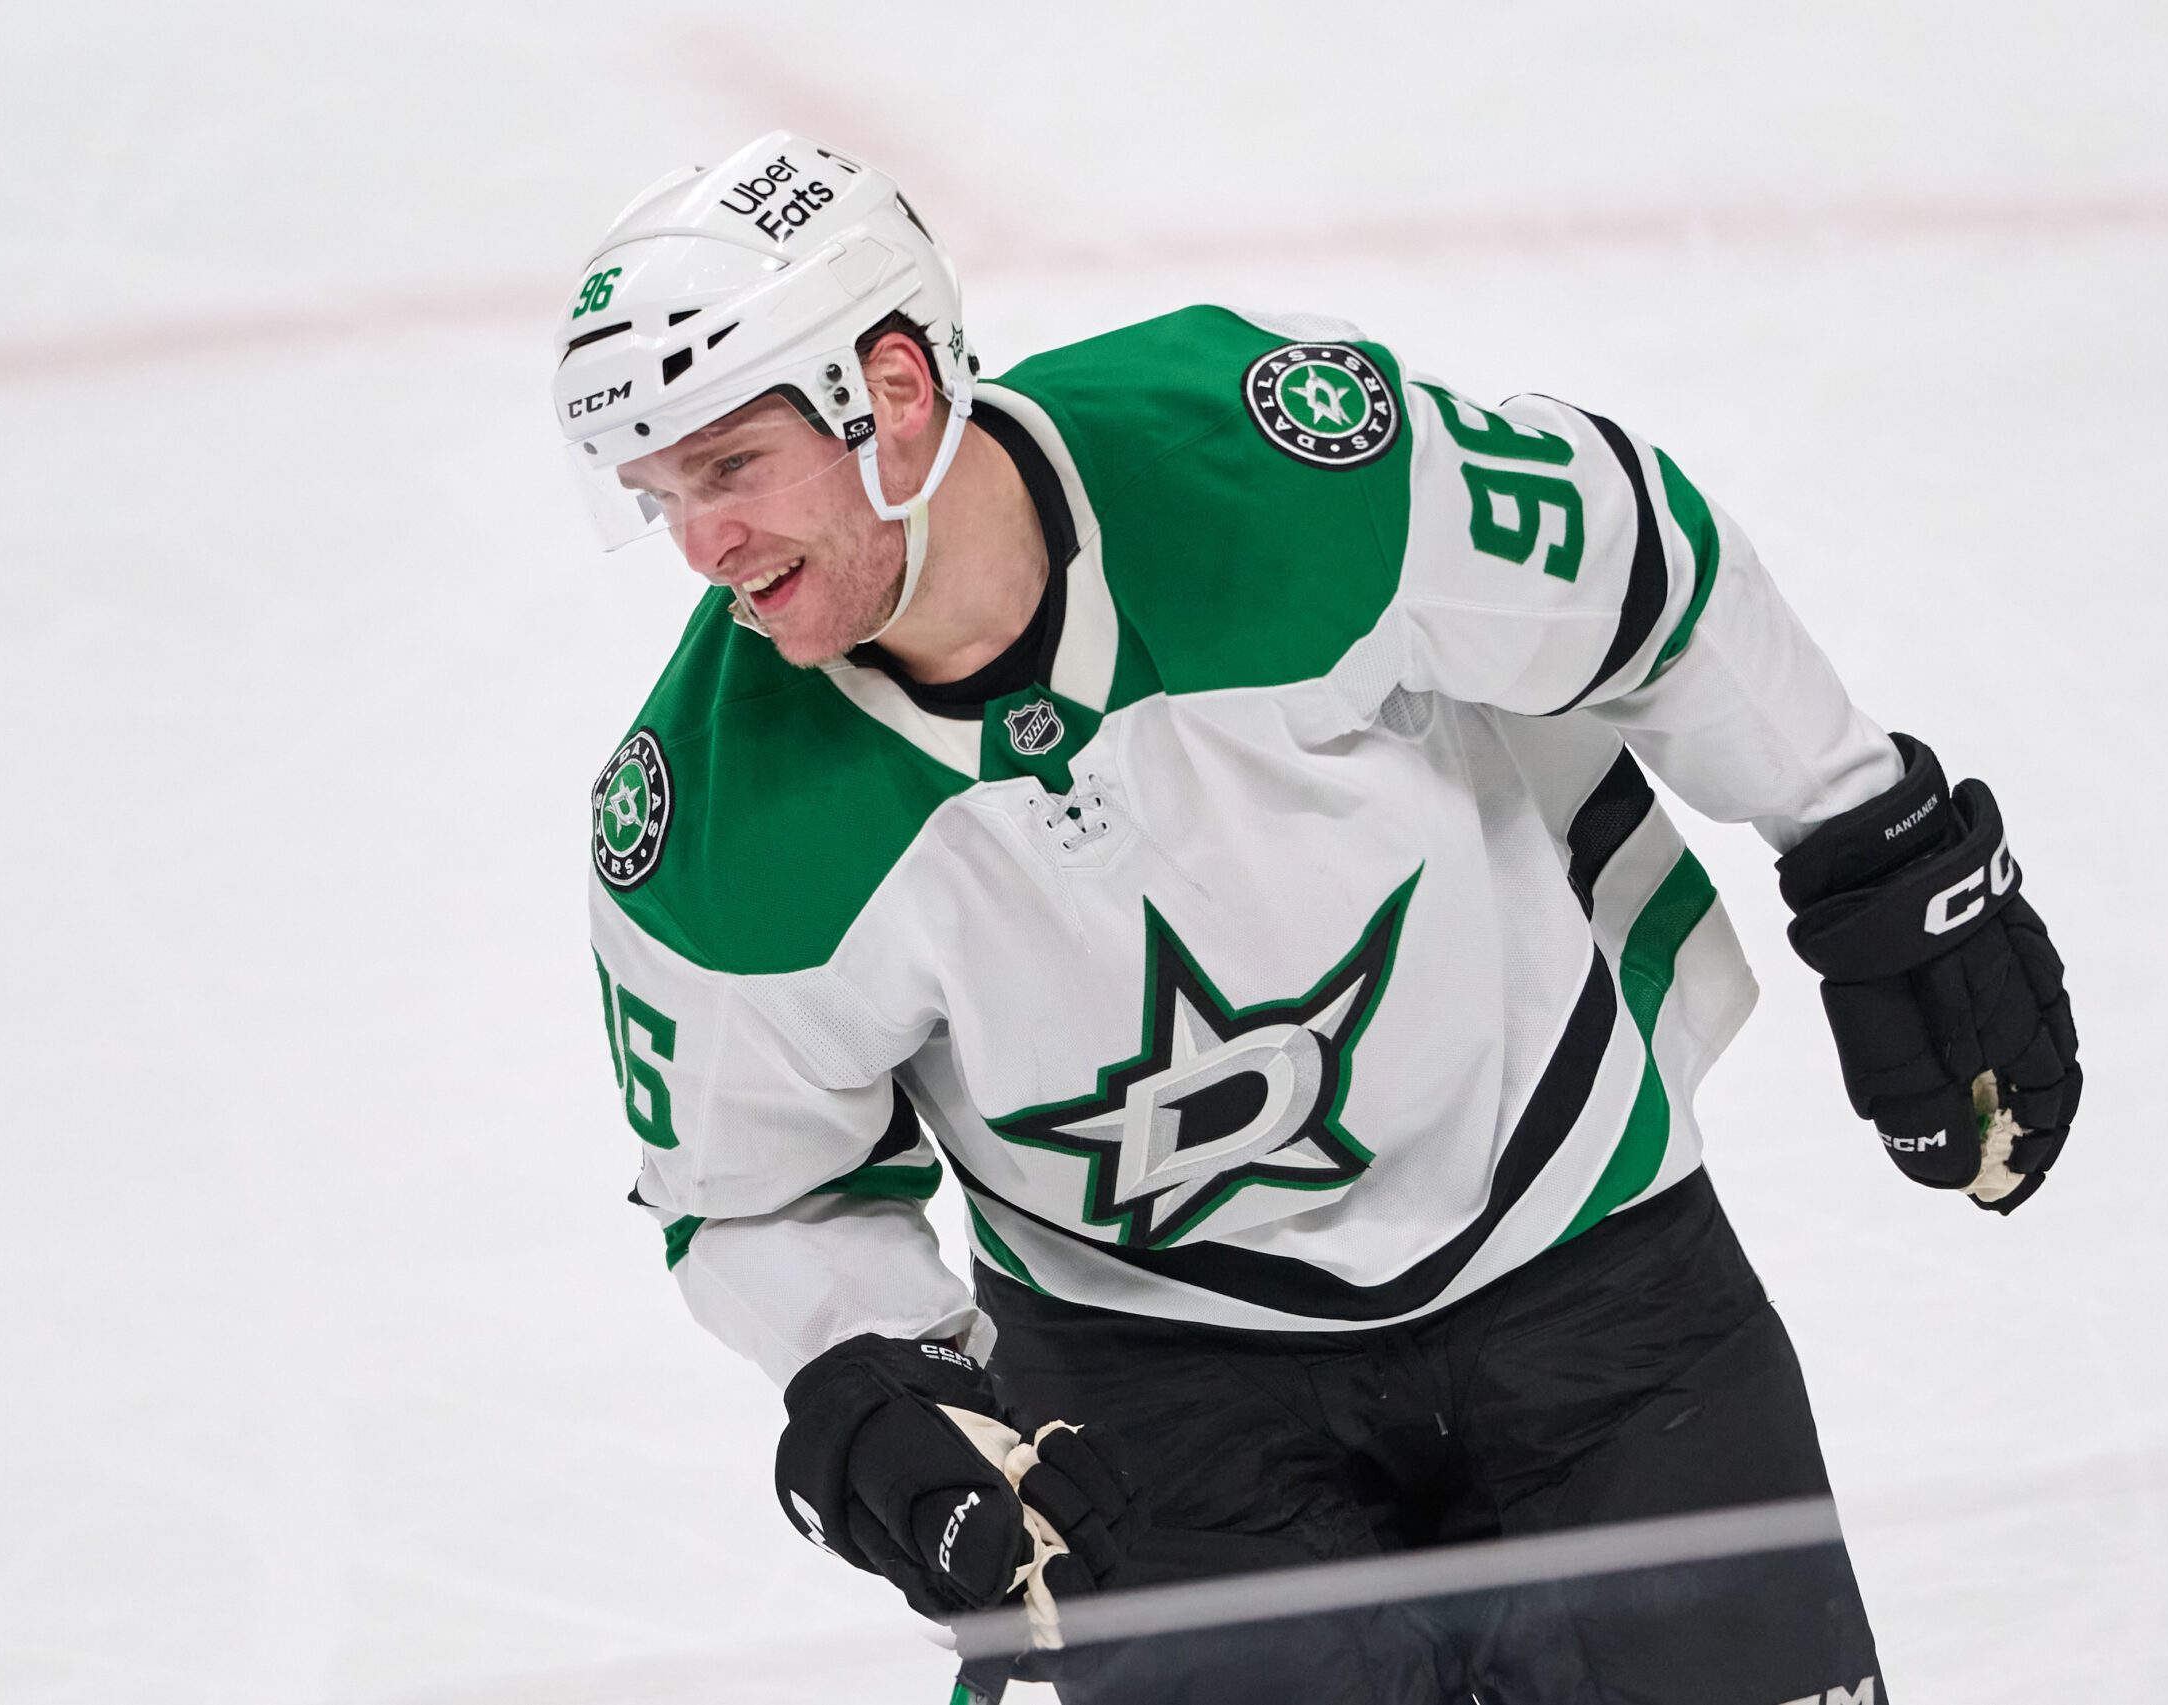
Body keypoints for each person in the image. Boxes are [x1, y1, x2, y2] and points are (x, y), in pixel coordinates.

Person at [557, 132, 2080, 1705]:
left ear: (892, 393)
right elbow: (753, 1193)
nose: (699, 548)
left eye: (729, 469)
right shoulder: (700, 832)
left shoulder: (1277, 472)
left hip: (1590, 1267)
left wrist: (1872, 843)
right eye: (661, 493)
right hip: (1150, 1401)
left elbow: (1641, 568)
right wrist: (869, 1378)